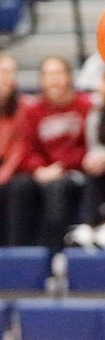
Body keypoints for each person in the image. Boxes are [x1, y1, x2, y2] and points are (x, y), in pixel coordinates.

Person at [6, 56, 92, 253]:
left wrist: (61, 166)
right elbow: (27, 148)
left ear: (69, 77)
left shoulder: (84, 107)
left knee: (57, 189)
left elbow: (89, 146)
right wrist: (38, 169)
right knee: (20, 186)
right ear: (41, 80)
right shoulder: (33, 111)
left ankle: (56, 256)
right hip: (44, 172)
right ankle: (20, 255)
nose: (53, 80)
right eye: (48, 75)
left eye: (58, 74)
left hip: (74, 173)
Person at [65, 71, 105, 252]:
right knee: (94, 171)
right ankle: (87, 225)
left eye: (103, 81)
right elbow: (93, 146)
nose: (98, 87)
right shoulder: (96, 114)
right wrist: (93, 159)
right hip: (104, 170)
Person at [0, 53, 31, 244]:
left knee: (18, 188)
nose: (8, 77)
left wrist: (4, 174)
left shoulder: (24, 107)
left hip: (11, 169)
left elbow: (20, 147)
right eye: (4, 71)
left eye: (12, 72)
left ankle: (13, 251)